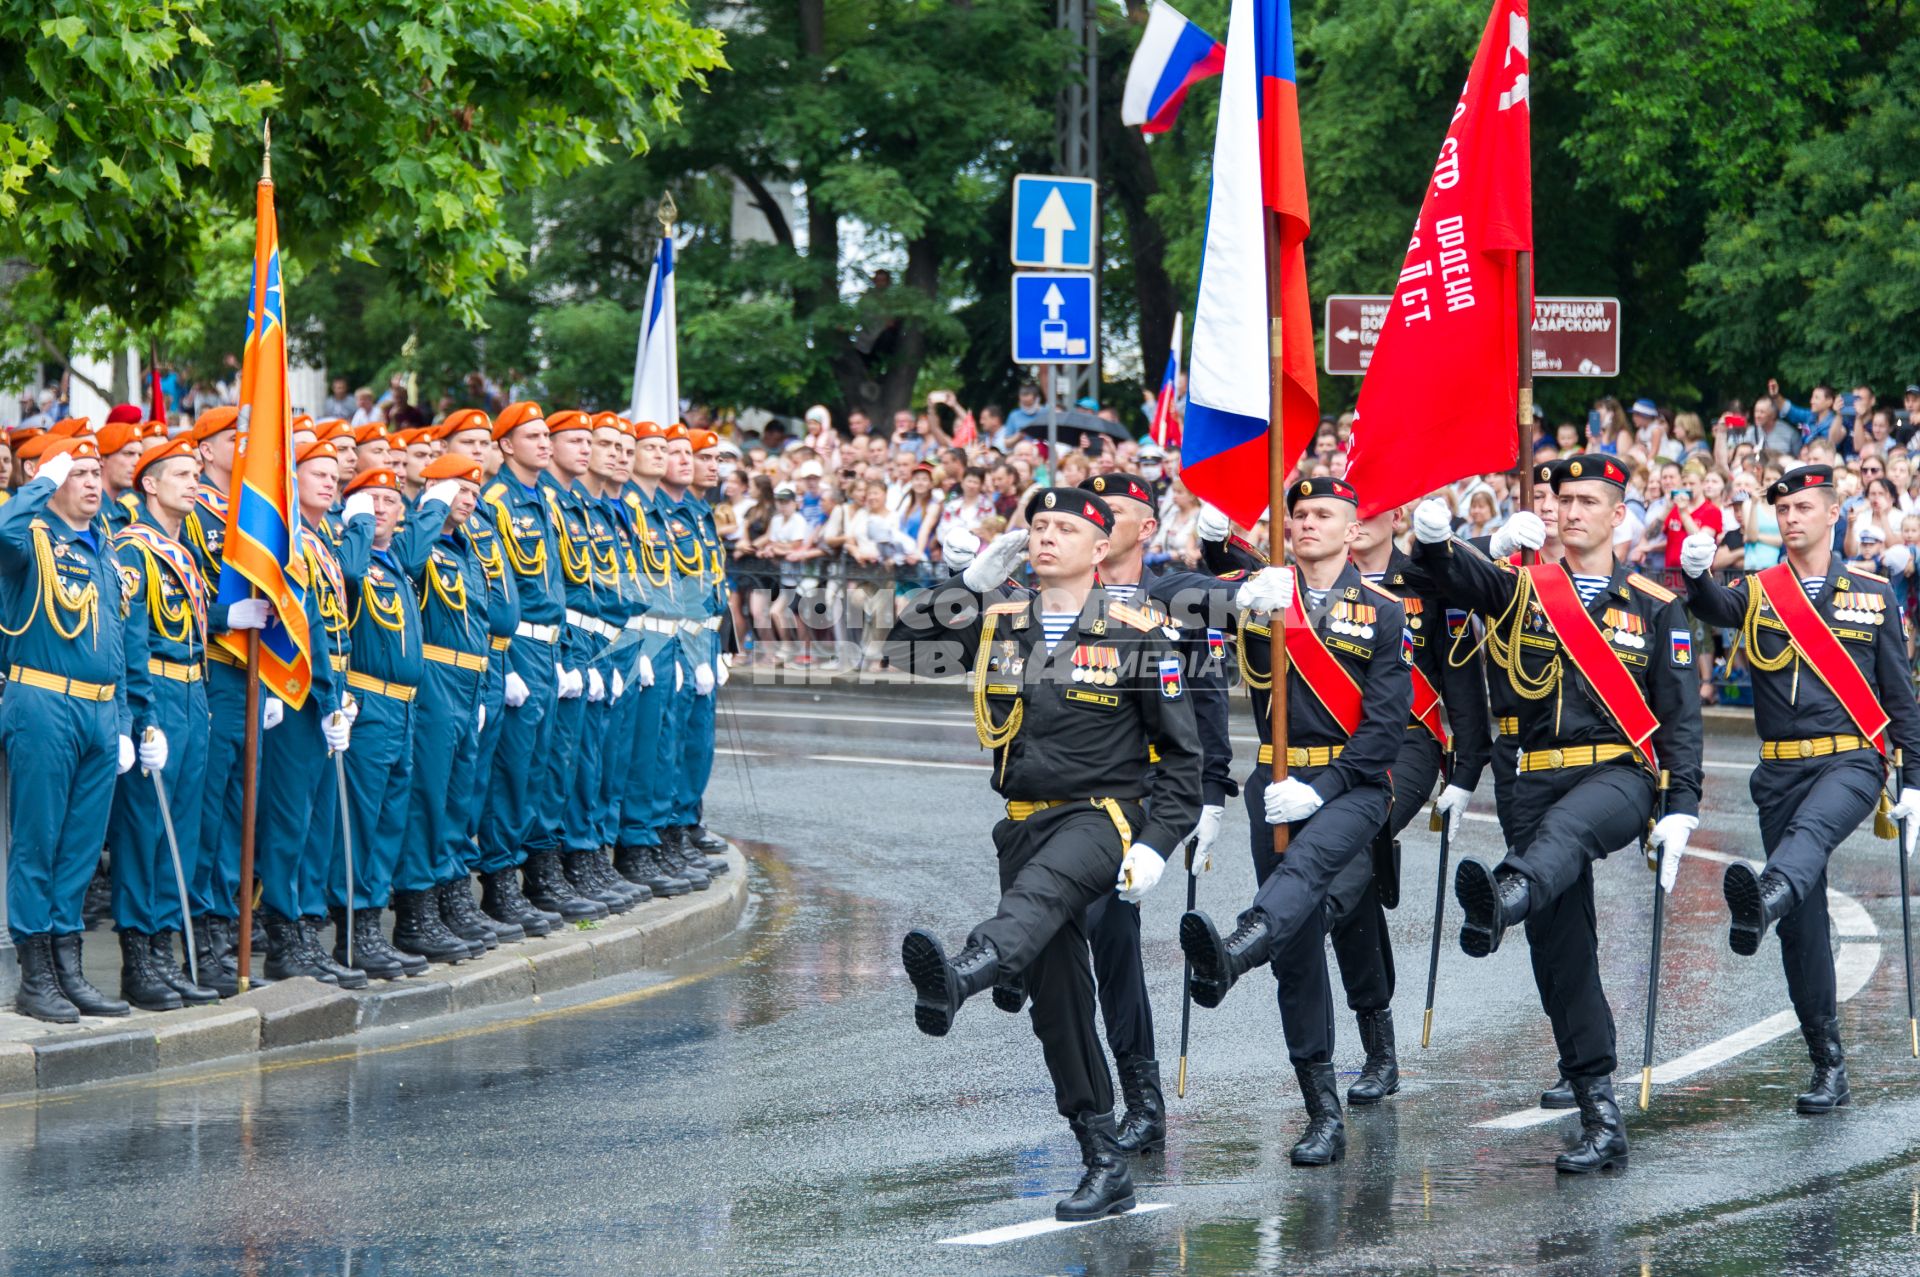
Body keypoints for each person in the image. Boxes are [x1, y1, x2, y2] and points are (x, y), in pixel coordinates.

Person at [892, 488, 1202, 1221]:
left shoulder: (1138, 632)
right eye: (1038, 526)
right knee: (1059, 1003)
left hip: (1101, 816)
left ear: (1101, 549)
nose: (1047, 537)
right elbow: (904, 648)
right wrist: (963, 588)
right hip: (1024, 822)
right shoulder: (1002, 623)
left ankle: (965, 974)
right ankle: (1101, 1157)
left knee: (1034, 902)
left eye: (1066, 528)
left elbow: (1183, 764)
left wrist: (1157, 845)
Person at [1410, 454, 1704, 1173]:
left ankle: (1506, 892)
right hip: (1529, 781)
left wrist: (1681, 807)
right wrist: (1435, 536)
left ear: (1617, 514)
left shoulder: (1654, 602)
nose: (1569, 511)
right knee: (1561, 943)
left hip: (1617, 775)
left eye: (1586, 501)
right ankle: (1600, 1114)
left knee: (1567, 839)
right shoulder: (1521, 587)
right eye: (1562, 499)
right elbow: (1448, 575)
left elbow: (1681, 715)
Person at [1177, 477, 1410, 1168]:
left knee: (1309, 875)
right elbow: (1174, 603)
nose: (1307, 523)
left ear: (1351, 530)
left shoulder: (1384, 612)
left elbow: (1387, 727)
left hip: (1353, 786)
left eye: (1323, 514)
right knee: (1301, 949)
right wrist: (1229, 578)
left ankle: (1237, 948)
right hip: (1274, 779)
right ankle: (1321, 1112)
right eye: (1298, 513)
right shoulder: (1264, 593)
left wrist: (1326, 788)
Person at [1679, 465, 1920, 1114]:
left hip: (1851, 760)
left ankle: (1765, 892)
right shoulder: (1760, 590)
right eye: (1781, 508)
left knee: (1810, 838)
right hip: (1780, 769)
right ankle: (1827, 1062)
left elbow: (1900, 692)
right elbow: (1712, 607)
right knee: (1802, 926)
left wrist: (1916, 781)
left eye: (1804, 507)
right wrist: (1696, 574)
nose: (1790, 518)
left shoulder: (1871, 593)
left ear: (1834, 511)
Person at [1, 439, 141, 1021]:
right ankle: (35, 978)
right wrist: (38, 482)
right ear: (51, 478)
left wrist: (126, 720)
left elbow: (116, 645)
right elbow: (2, 530)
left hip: (101, 710)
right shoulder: (30, 539)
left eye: (92, 472)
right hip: (43, 701)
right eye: (75, 473)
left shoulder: (105, 549)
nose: (90, 482)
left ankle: (68, 967)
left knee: (81, 849)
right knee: (39, 841)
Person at [107, 437, 225, 1010]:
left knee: (184, 829)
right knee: (145, 830)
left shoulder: (185, 551)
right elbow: (131, 639)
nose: (193, 481)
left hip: (194, 692)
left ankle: (164, 947)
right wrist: (142, 717)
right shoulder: (134, 548)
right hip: (156, 692)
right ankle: (139, 962)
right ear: (149, 484)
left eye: (196, 473)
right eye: (180, 473)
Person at [181, 407, 276, 995]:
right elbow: (183, 588)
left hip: (252, 675)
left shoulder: (257, 512)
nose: (243, 448)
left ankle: (230, 935)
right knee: (210, 818)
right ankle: (204, 942)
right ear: (205, 453)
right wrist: (222, 619)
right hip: (216, 671)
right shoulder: (194, 513)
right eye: (230, 440)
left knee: (244, 815)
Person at [476, 402, 572, 937]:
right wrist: (506, 660)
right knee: (510, 772)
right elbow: (499, 588)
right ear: (507, 444)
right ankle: (499, 882)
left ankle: (532, 874)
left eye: (544, 435)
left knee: (538, 767)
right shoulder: (496, 503)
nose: (543, 442)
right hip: (518, 648)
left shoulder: (547, 502)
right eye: (531, 435)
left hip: (549, 648)